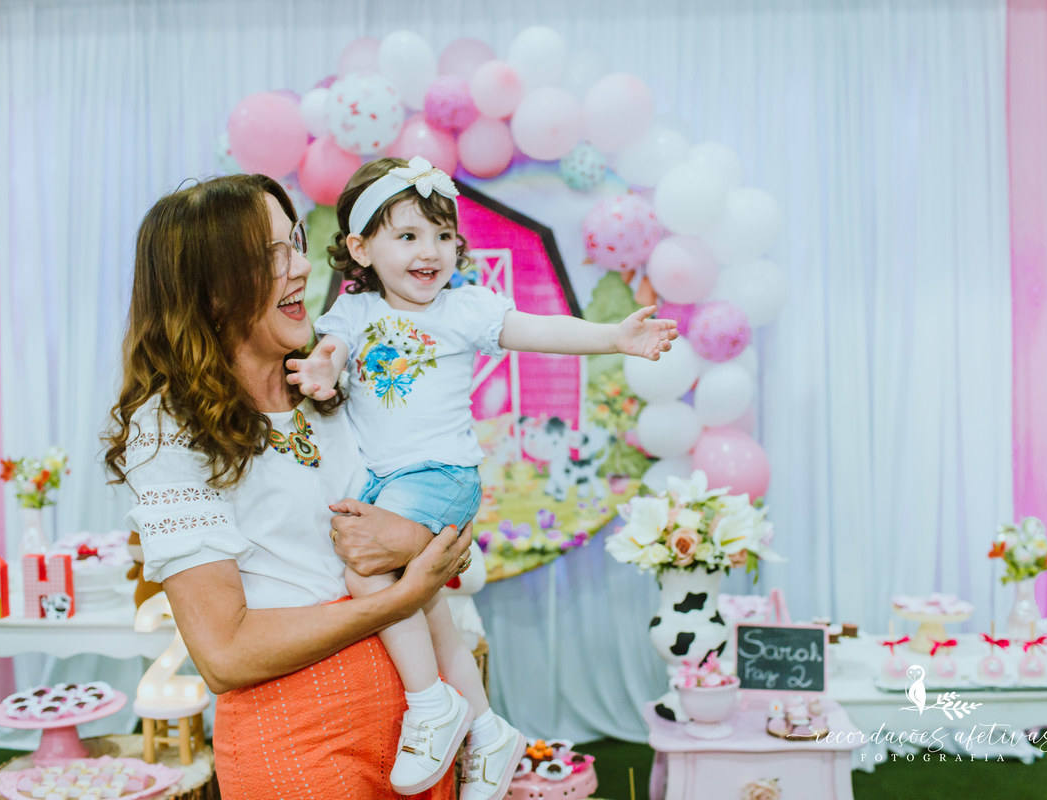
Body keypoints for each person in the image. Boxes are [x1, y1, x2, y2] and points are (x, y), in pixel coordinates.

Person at [288, 156, 678, 799]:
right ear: (360, 247)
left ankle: (430, 705)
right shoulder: (352, 314)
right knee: (419, 592)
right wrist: (324, 370)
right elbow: (327, 352)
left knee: (364, 567)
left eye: (443, 235)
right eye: (408, 236)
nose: (431, 251)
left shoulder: (462, 307)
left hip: (441, 476)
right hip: (382, 484)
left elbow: (539, 329)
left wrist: (614, 337)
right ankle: (488, 728)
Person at [103, 173, 473, 800]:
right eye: (273, 254)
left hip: (418, 732)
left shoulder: (331, 383)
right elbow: (225, 654)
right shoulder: (167, 428)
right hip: (300, 745)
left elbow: (441, 503)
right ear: (212, 288)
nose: (302, 266)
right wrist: (404, 593)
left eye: (297, 242)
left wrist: (413, 537)